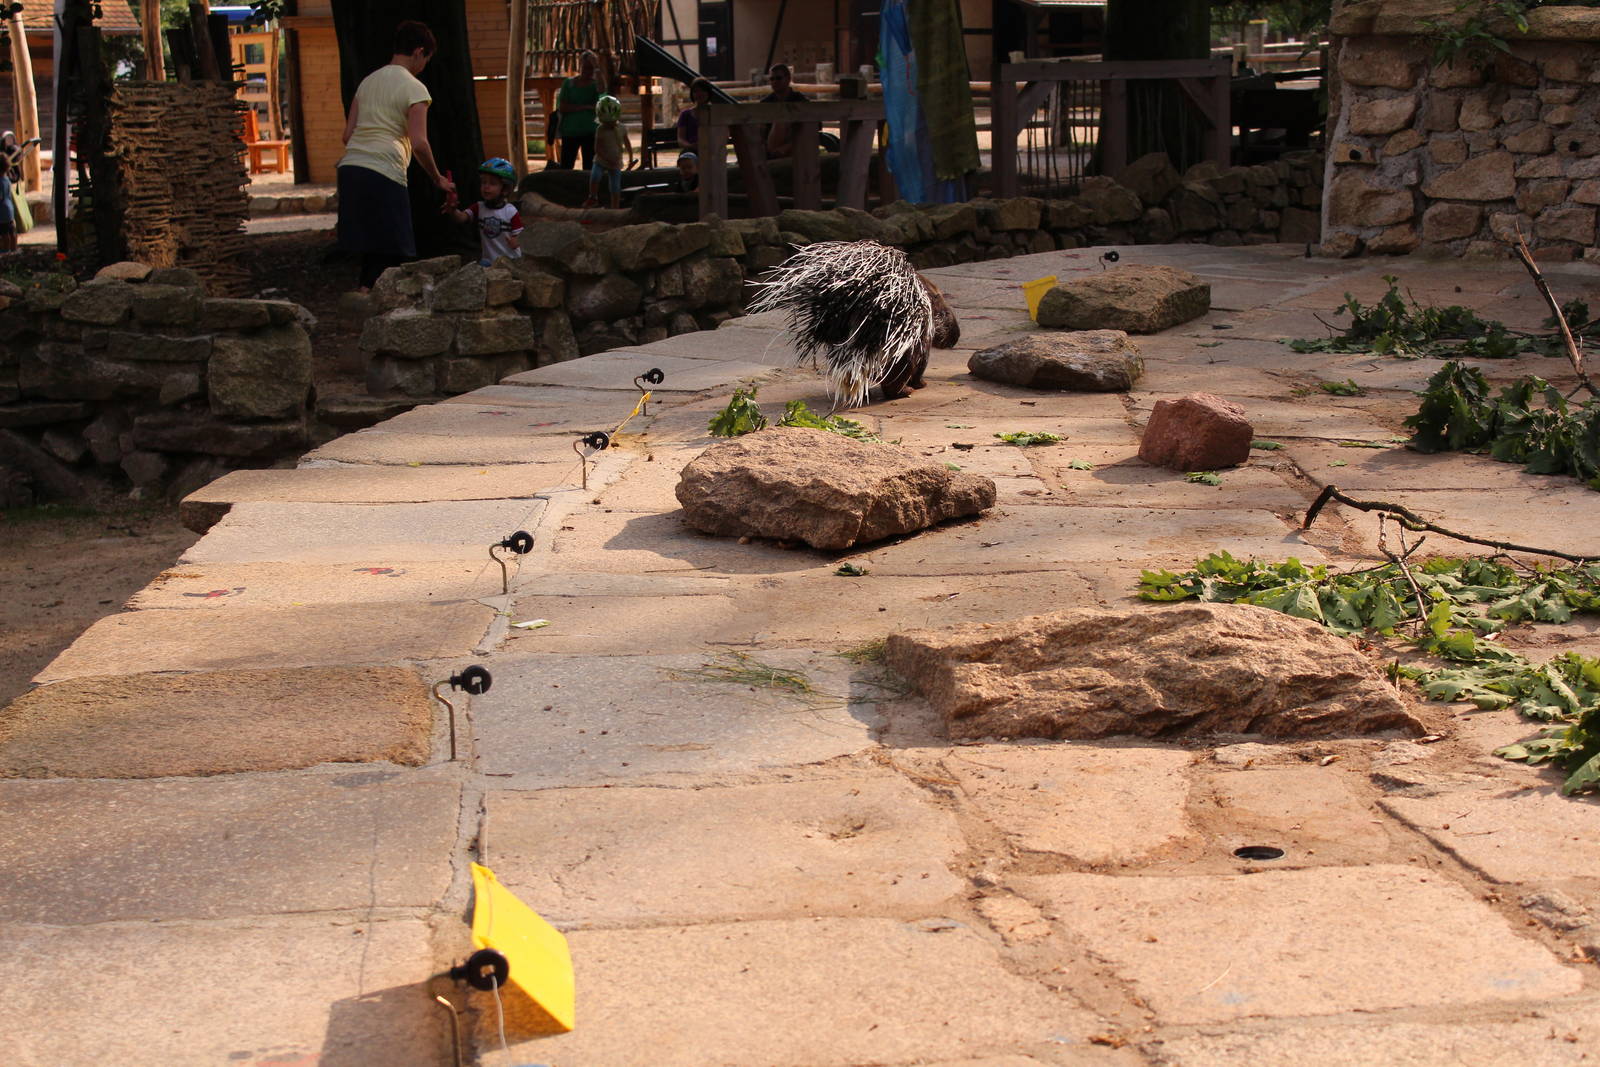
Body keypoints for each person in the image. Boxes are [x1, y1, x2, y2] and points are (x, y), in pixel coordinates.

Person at [336, 20, 455, 291]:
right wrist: (438, 179)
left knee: (371, 250)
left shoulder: (367, 82)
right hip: (384, 170)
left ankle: (366, 298)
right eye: (426, 59)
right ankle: (392, 315)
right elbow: (419, 143)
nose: (424, 66)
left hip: (352, 168)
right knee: (394, 248)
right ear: (418, 52)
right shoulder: (414, 88)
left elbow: (347, 135)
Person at [445, 157, 523, 266]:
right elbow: (461, 218)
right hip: (488, 261)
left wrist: (516, 241)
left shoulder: (510, 211)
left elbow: (521, 236)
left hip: (511, 261)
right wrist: (453, 210)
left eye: (492, 183)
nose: (486, 186)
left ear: (505, 189)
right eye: (483, 182)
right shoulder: (479, 207)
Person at [585, 94, 633, 209]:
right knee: (595, 176)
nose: (609, 124)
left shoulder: (622, 128)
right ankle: (593, 197)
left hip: (616, 161)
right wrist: (606, 158)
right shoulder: (600, 129)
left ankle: (615, 207)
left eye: (611, 122)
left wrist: (630, 157)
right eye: (606, 122)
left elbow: (627, 143)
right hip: (601, 160)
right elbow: (597, 148)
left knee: (615, 186)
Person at [556, 51, 602, 171]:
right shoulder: (569, 84)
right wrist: (585, 107)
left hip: (590, 131)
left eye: (591, 68)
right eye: (586, 67)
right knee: (566, 166)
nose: (588, 71)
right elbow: (562, 107)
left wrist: (597, 68)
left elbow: (602, 97)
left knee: (590, 167)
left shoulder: (595, 85)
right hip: (570, 131)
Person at [0, 131, 41, 255]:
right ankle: (14, 248)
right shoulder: (7, 179)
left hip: (1, 211)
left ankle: (5, 250)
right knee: (12, 231)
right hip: (10, 209)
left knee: (3, 233)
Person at [760, 63, 808, 159]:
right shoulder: (766, 103)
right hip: (771, 144)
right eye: (772, 79)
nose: (775, 82)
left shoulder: (799, 100)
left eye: (778, 78)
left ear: (788, 79)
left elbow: (815, 125)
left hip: (795, 143)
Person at [676, 77, 714, 152]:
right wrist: (691, 146)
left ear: (708, 92)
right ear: (692, 94)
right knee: (687, 160)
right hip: (690, 152)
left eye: (703, 90)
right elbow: (680, 139)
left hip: (712, 151)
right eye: (696, 91)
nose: (699, 94)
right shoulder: (685, 115)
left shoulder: (715, 113)